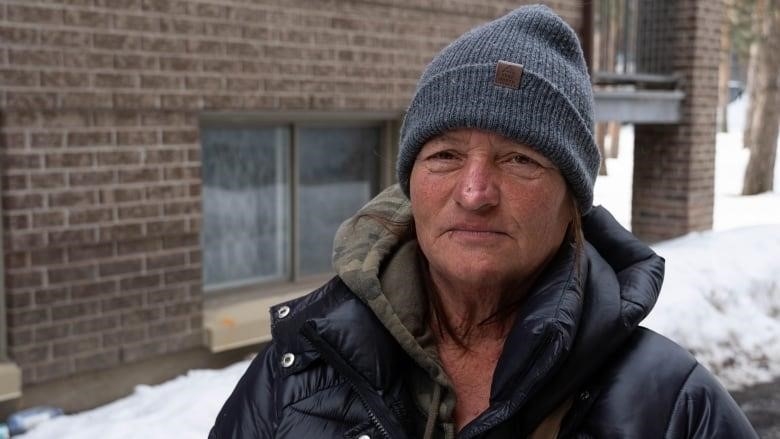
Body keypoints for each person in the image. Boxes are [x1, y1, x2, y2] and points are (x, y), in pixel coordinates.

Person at [209, 5, 758, 438]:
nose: (474, 193)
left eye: (519, 159)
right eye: (445, 155)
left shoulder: (673, 408)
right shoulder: (301, 366)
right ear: (411, 184)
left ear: (574, 203)